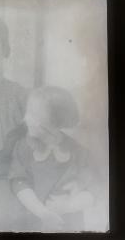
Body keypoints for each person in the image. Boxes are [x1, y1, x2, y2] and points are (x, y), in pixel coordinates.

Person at [9, 86, 95, 231]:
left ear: (54, 122)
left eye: (33, 114)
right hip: (32, 221)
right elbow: (19, 183)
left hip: (67, 224)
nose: (25, 118)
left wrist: (67, 206)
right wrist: (43, 213)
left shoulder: (79, 152)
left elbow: (93, 190)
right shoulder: (23, 147)